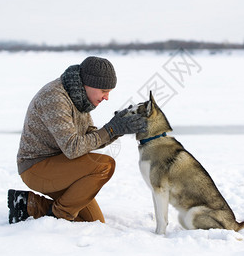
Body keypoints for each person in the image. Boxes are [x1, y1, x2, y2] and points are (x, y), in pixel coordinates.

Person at [8, 56, 146, 224]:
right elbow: (73, 148)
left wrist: (118, 129)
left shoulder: (79, 97)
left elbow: (89, 137)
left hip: (62, 164)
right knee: (104, 165)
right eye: (104, 91)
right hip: (36, 167)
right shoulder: (55, 98)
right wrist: (111, 129)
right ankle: (59, 215)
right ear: (88, 83)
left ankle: (28, 204)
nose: (107, 97)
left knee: (93, 221)